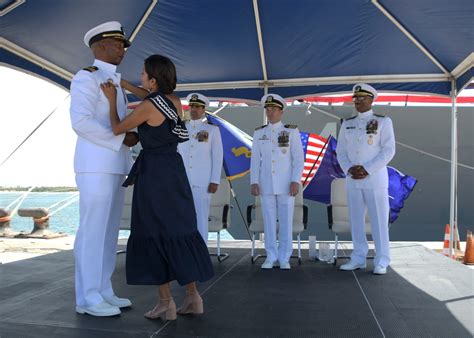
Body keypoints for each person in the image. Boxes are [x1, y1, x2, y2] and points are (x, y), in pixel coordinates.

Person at [101, 54, 214, 321]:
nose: (139, 76)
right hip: (174, 171)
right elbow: (152, 98)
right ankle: (193, 297)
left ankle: (166, 303)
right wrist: (127, 87)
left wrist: (110, 99)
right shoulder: (174, 102)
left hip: (154, 174)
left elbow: (118, 128)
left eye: (143, 73)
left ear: (152, 79)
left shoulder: (148, 106)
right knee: (179, 230)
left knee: (153, 232)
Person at [70, 21, 138, 317]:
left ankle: (103, 290)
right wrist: (123, 137)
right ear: (99, 46)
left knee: (109, 233)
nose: (122, 49)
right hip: (95, 165)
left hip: (114, 164)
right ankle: (86, 298)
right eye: (117, 43)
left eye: (123, 44)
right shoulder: (86, 78)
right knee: (92, 232)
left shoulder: (116, 81)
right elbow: (81, 122)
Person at [336, 83, 396, 275]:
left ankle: (382, 260)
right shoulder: (347, 123)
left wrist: (367, 169)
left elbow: (389, 150)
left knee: (379, 221)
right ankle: (358, 257)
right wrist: (349, 169)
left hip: (375, 179)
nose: (358, 101)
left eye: (362, 98)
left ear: (372, 100)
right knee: (356, 220)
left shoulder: (383, 122)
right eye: (356, 98)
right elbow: (341, 151)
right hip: (353, 179)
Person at [250, 94, 304, 270]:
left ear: (281, 111)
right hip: (266, 184)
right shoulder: (259, 132)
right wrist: (254, 181)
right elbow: (255, 160)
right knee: (269, 220)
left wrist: (296, 180)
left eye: (273, 109)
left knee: (286, 220)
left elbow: (298, 158)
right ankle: (271, 255)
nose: (270, 112)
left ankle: (284, 256)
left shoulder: (291, 131)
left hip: (286, 184)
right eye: (267, 109)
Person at [177, 93, 223, 244]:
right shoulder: (181, 128)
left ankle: (201, 249)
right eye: (192, 106)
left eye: (197, 107)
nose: (194, 110)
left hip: (202, 181)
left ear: (204, 109)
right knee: (182, 216)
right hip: (182, 181)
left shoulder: (212, 130)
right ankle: (185, 249)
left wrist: (215, 180)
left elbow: (217, 157)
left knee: (201, 217)